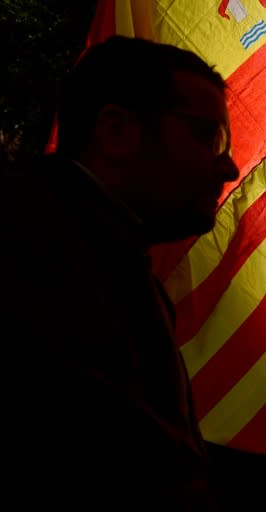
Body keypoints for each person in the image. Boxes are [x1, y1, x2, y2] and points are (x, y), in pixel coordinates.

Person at [1, 35, 239, 509]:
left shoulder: (114, 264)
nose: (229, 167)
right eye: (207, 136)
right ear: (115, 131)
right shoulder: (28, 243)